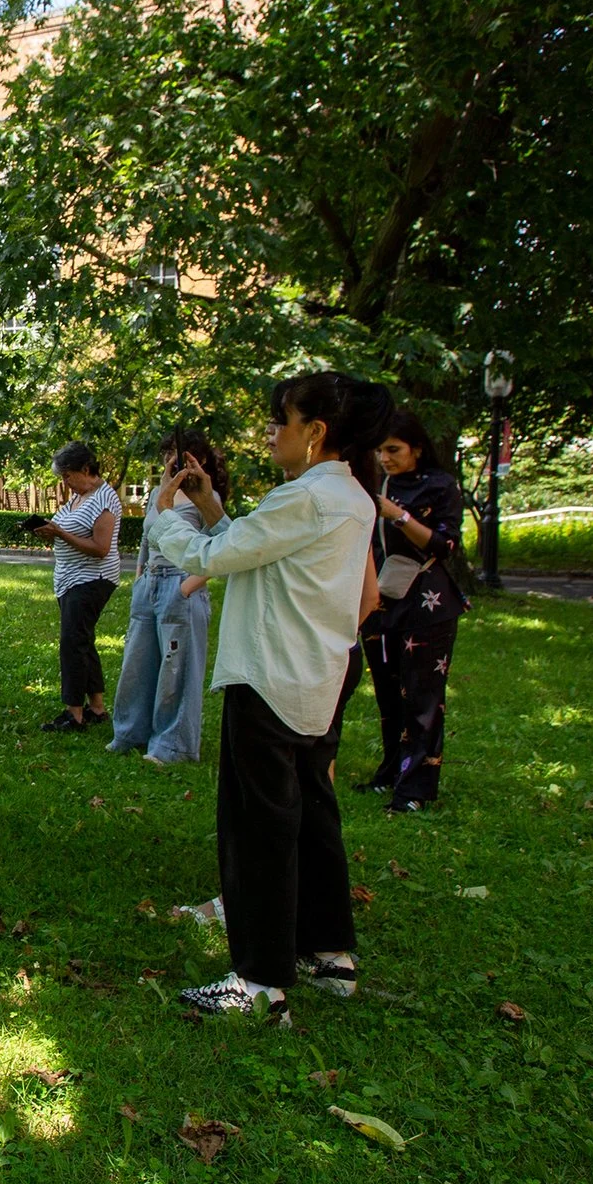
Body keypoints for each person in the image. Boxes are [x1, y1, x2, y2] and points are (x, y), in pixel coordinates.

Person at [145, 371, 392, 1026]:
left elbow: (212, 555)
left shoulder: (305, 498)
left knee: (257, 829)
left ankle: (258, 982)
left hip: (267, 677)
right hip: (315, 676)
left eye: (282, 419)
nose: (272, 431)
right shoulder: (350, 498)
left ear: (316, 433)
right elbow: (267, 556)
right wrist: (216, 504)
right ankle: (329, 952)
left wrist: (162, 515)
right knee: (313, 816)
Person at [359, 409, 467, 812]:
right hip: (379, 601)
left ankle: (416, 789)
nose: (385, 458)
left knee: (422, 696)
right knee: (389, 694)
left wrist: (399, 516)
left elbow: (445, 546)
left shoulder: (439, 485)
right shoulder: (371, 484)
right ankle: (390, 773)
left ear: (417, 448)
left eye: (394, 450)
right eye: (380, 451)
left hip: (426, 603)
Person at [110, 432, 225, 766]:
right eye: (166, 456)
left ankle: (172, 746)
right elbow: (147, 541)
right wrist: (140, 579)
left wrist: (188, 586)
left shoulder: (208, 498)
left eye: (179, 456)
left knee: (177, 667)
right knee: (138, 660)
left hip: (181, 582)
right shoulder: (157, 496)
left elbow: (220, 548)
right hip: (150, 585)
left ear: (197, 462)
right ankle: (130, 733)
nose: (170, 462)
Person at [40, 442, 122, 732]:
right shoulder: (78, 498)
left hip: (92, 579)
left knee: (72, 643)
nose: (66, 482)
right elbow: (68, 533)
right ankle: (97, 708)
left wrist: (60, 532)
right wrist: (50, 532)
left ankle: (74, 713)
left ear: (87, 470)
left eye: (68, 475)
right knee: (83, 641)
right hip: (69, 579)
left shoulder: (105, 499)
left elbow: (101, 548)